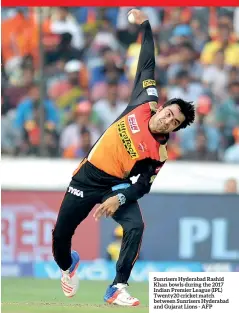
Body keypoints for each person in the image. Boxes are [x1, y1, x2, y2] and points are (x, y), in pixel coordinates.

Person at [52, 9, 195, 307]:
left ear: (176, 128)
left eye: (174, 123)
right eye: (169, 114)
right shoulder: (144, 102)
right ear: (162, 108)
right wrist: (146, 25)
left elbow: (143, 186)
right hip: (86, 176)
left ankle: (117, 286)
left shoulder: (160, 152)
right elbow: (148, 62)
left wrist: (119, 198)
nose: (167, 121)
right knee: (60, 240)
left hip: (115, 185)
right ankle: (69, 266)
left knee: (136, 226)